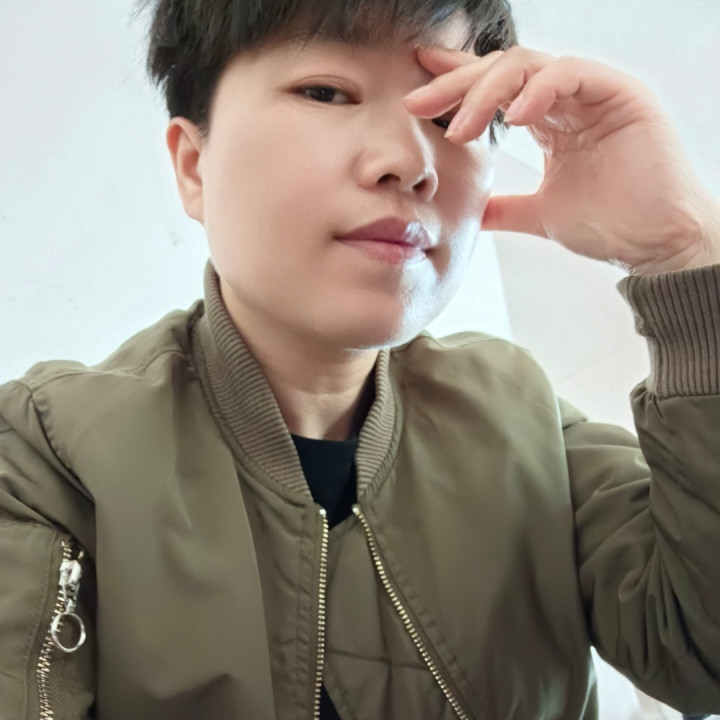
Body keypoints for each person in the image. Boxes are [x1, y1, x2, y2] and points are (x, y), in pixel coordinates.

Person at [1, 0, 719, 718]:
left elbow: (702, 656)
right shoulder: (47, 455)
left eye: (451, 113)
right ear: (194, 167)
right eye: (327, 92)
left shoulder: (524, 419)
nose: (409, 163)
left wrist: (683, 250)